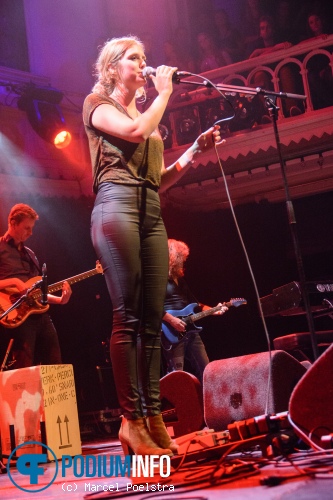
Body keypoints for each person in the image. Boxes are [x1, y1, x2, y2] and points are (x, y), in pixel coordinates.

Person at [82, 35, 223, 457]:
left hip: (149, 209)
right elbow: (134, 130)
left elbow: (158, 178)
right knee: (128, 317)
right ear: (112, 68)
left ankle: (153, 418)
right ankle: (132, 420)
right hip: (116, 206)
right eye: (134, 58)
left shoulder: (146, 113)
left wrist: (194, 150)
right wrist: (164, 94)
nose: (144, 64)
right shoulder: (96, 104)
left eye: (145, 56)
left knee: (150, 323)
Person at [0, 203, 72, 368]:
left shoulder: (30, 254)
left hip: (40, 315)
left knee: (55, 365)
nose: (30, 233)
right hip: (16, 316)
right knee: (23, 367)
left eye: (32, 228)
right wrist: (13, 281)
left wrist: (60, 300)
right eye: (26, 228)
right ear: (13, 223)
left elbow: (38, 292)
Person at [162, 239, 228, 386]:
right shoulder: (158, 279)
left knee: (206, 370)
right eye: (182, 257)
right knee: (176, 376)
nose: (185, 260)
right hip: (171, 331)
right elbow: (151, 306)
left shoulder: (180, 280)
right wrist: (172, 320)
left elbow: (195, 304)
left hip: (190, 330)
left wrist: (213, 310)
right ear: (173, 257)